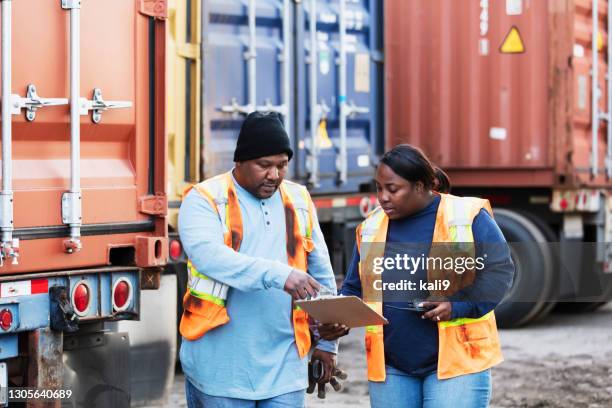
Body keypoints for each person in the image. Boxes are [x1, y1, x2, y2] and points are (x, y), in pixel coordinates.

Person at [319, 144, 514, 408]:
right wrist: (339, 320)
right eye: (378, 188)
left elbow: (498, 273)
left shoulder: (466, 216)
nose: (383, 197)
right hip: (393, 367)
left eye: (393, 189)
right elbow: (356, 288)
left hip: (457, 363)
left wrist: (457, 305)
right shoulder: (371, 227)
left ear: (420, 186)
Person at [178, 111, 338, 407]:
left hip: (285, 365)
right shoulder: (205, 199)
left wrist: (328, 344)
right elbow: (210, 257)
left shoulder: (299, 198)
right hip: (220, 370)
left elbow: (322, 274)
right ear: (239, 161)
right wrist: (281, 275)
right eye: (264, 165)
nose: (274, 175)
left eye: (282, 165)